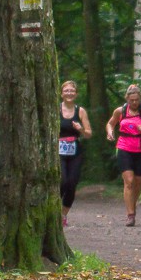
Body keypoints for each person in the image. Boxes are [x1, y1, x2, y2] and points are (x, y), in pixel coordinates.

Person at [105, 84, 141, 227]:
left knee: (138, 181)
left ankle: (132, 204)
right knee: (129, 181)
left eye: (136, 100)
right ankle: (131, 215)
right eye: (132, 100)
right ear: (127, 99)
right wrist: (110, 132)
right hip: (124, 147)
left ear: (140, 98)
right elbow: (110, 124)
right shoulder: (120, 111)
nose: (134, 103)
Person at [59, 80, 92, 227]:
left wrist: (80, 129)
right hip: (58, 150)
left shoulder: (80, 111)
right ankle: (53, 212)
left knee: (72, 183)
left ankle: (63, 215)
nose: (69, 93)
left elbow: (88, 134)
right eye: (66, 90)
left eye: (72, 91)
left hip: (75, 151)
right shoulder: (55, 109)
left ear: (76, 94)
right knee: (62, 182)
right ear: (61, 94)